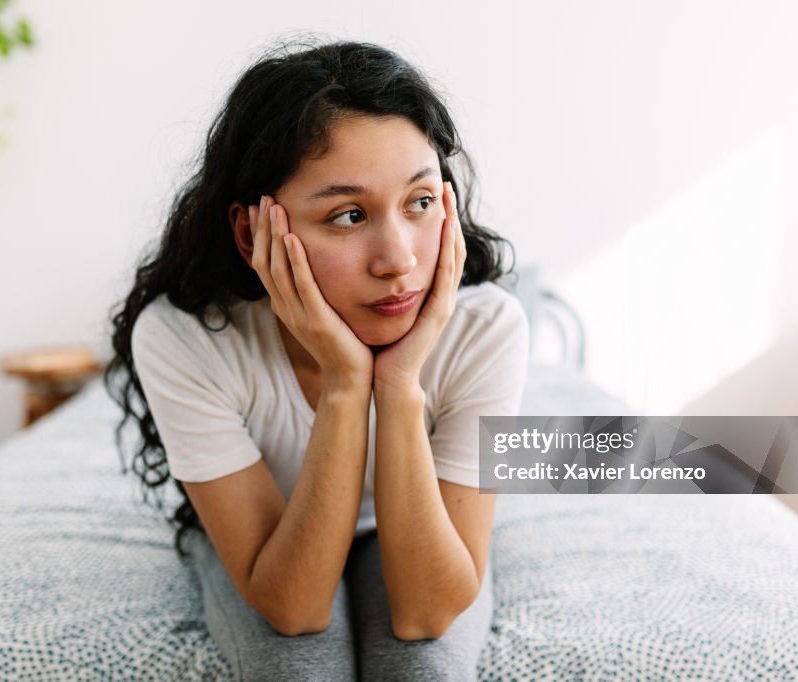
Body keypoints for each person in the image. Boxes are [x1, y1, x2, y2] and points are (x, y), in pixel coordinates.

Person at [104, 38, 529, 681]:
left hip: (413, 522)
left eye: (419, 203)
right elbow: (295, 609)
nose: (399, 260)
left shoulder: (486, 328)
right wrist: (345, 384)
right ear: (252, 233)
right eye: (349, 215)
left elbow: (426, 614)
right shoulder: (185, 338)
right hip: (276, 532)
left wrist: (400, 384)